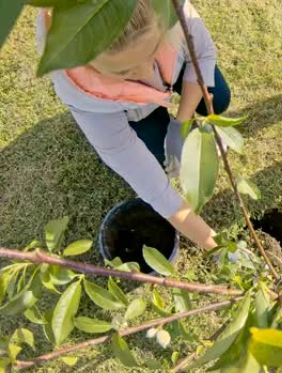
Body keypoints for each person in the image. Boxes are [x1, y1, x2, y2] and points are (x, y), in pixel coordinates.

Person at [36, 1, 228, 251]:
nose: (146, 72)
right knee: (159, 159)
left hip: (171, 67)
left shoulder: (170, 10)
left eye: (153, 52)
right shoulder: (83, 93)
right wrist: (216, 246)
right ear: (88, 64)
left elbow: (201, 54)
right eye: (125, 71)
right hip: (132, 109)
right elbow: (155, 190)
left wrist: (180, 124)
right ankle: (154, 121)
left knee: (219, 97)